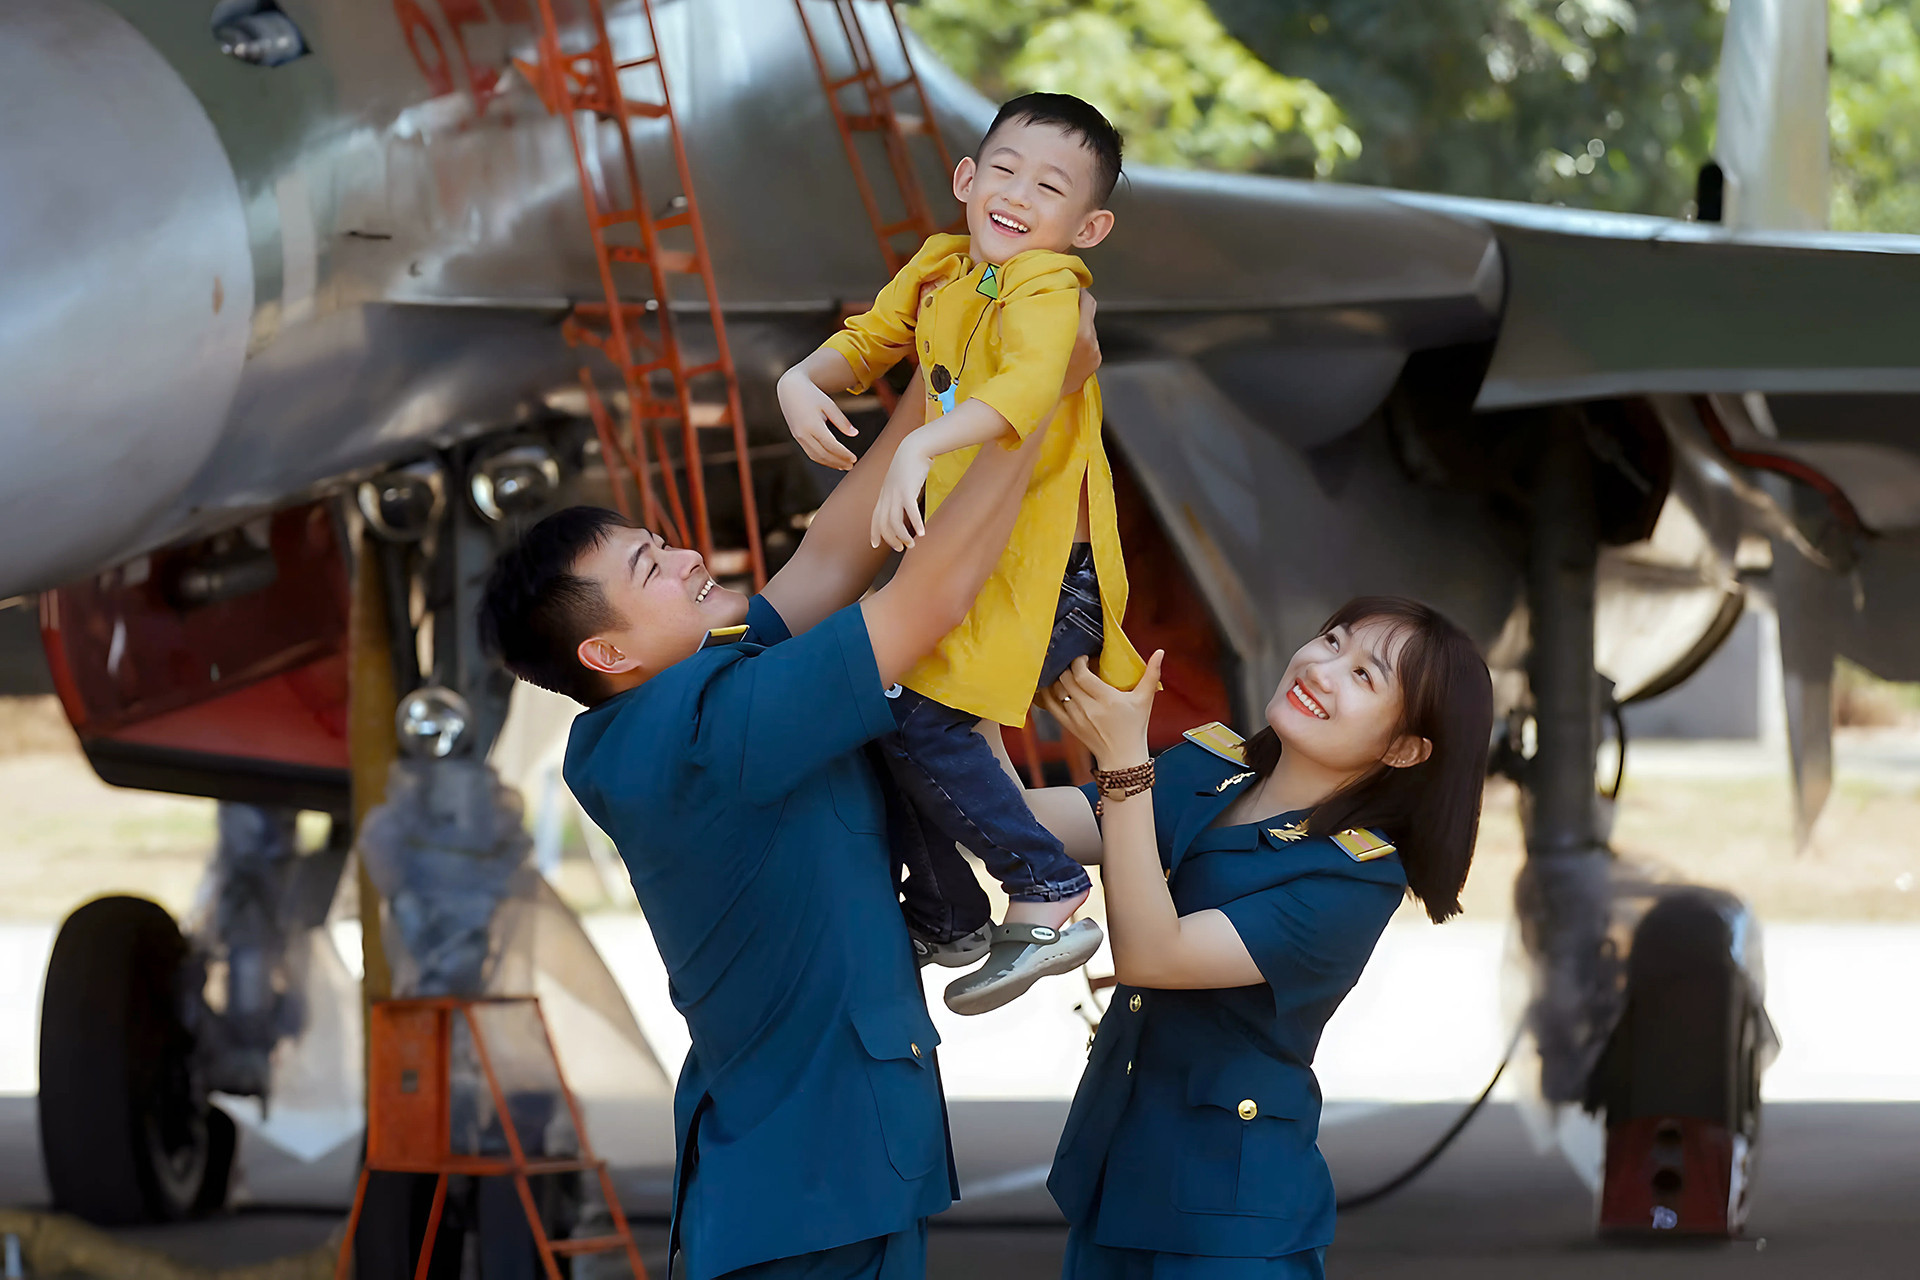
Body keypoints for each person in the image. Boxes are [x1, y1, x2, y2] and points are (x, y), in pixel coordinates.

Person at [473, 302, 1100, 1280]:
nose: (688, 555)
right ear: (607, 653)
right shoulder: (702, 729)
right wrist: (1035, 395)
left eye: (662, 541)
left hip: (821, 1182)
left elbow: (835, 553)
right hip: (810, 1196)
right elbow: (926, 600)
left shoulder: (689, 699)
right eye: (651, 566)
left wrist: (946, 362)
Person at [776, 91, 1147, 1015]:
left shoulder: (1049, 287)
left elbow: (1027, 386)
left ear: (1089, 227)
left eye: (1050, 187)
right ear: (967, 178)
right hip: (980, 573)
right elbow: (869, 341)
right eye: (1006, 171)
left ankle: (1047, 886)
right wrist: (801, 379)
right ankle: (949, 914)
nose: (1018, 195)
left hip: (1048, 582)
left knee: (918, 720)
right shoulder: (944, 267)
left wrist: (918, 446)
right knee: (880, 715)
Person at [1024, 598, 1494, 1278]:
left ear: (1403, 749)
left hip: (1227, 1225)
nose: (1323, 669)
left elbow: (1154, 956)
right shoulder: (1210, 772)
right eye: (1331, 641)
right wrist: (971, 700)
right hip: (1117, 1181)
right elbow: (1028, 822)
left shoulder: (1354, 879)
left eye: (1365, 675)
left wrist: (1125, 764)